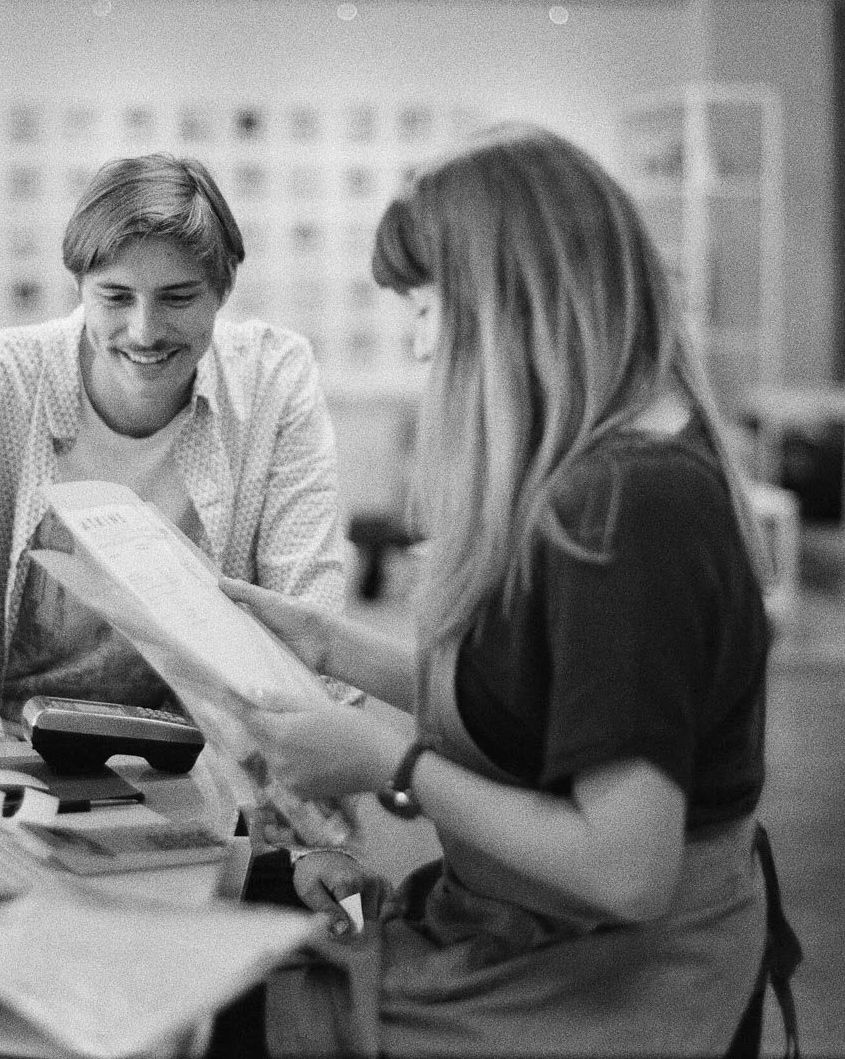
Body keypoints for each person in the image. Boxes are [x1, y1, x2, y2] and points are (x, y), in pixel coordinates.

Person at [214, 124, 798, 1057]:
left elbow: (625, 869)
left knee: (229, 1019)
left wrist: (388, 766)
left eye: (425, 308)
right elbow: (535, 701)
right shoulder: (612, 476)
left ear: (506, 302)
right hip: (537, 946)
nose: (418, 346)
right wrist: (326, 645)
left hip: (605, 983)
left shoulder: (626, 508)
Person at [0, 153, 348, 742]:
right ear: (79, 287)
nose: (144, 330)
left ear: (223, 289)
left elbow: (307, 617)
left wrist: (285, 773)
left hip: (187, 753)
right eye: (115, 298)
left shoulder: (272, 380)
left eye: (178, 298)